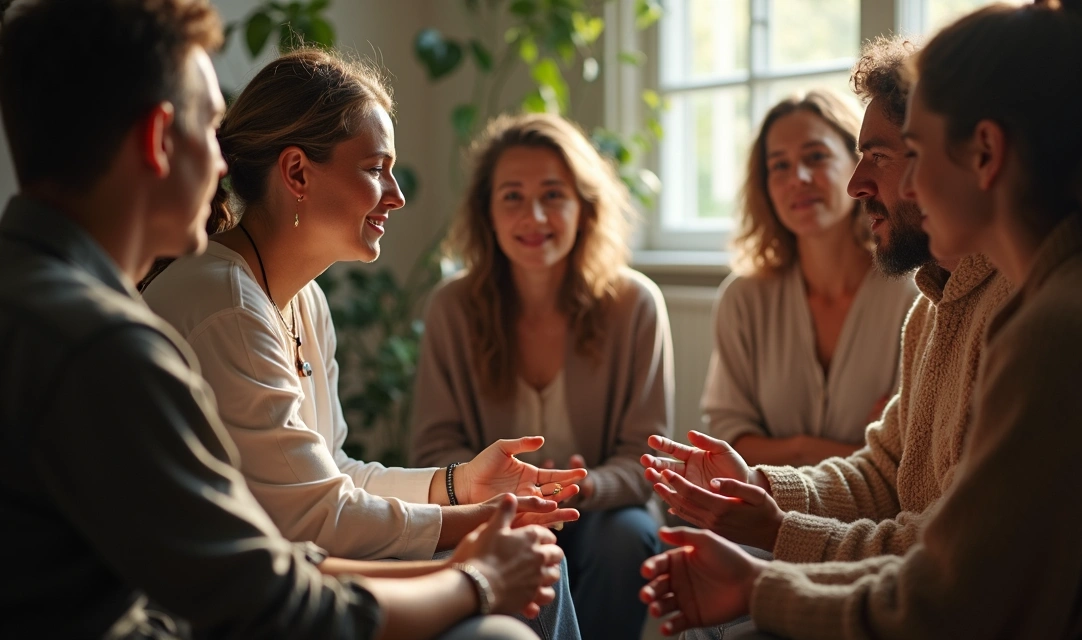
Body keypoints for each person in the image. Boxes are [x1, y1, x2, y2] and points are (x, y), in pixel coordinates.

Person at [639, 0, 1082, 637]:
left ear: (986, 153)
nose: (885, 186)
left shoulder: (1065, 329)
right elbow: (895, 476)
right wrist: (764, 490)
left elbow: (953, 600)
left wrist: (765, 573)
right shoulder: (965, 303)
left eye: (912, 150)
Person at [0, 1, 560, 639]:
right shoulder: (109, 345)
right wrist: (475, 577)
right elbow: (267, 593)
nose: (223, 164)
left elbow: (299, 510)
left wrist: (457, 496)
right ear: (158, 140)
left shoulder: (46, 305)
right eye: (208, 127)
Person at [140, 49, 583, 638]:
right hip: (232, 610)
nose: (396, 195)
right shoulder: (226, 305)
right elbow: (313, 517)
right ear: (297, 173)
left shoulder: (302, 298)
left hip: (301, 569)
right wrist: (483, 521)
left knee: (539, 564)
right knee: (533, 570)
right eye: (376, 169)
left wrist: (458, 486)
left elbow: (333, 472)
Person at [641, 35, 1011, 570]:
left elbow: (955, 551)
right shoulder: (932, 305)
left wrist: (776, 536)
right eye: (779, 166)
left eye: (875, 156)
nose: (857, 185)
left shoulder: (1013, 311)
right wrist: (757, 480)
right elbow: (884, 471)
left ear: (972, 159)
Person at [410, 113, 673, 640]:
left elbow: (646, 458)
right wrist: (501, 493)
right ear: (487, 213)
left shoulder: (635, 304)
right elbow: (434, 450)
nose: (534, 216)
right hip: (494, 509)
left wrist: (583, 486)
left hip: (600, 511)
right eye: (512, 196)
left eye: (553, 195)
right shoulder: (451, 308)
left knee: (627, 536)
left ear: (584, 207)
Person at [703, 89, 918, 467]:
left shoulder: (912, 292)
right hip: (762, 501)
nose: (798, 178)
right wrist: (813, 449)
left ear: (859, 163)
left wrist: (776, 448)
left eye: (816, 157)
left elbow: (909, 456)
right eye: (779, 166)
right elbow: (727, 440)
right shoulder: (743, 298)